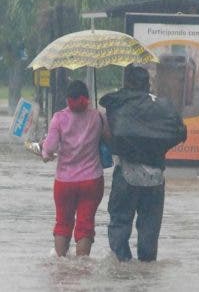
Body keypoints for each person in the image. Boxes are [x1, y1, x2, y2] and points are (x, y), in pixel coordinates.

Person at [99, 65, 186, 262]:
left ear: (126, 84)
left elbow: (112, 133)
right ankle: (146, 273)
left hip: (125, 176)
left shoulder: (117, 104)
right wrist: (157, 148)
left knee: (120, 225)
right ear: (147, 84)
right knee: (150, 230)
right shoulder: (163, 106)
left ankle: (123, 268)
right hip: (155, 177)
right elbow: (180, 132)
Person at [41, 80, 109, 257]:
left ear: (67, 98)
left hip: (64, 182)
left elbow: (48, 150)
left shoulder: (59, 118)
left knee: (63, 223)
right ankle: (81, 267)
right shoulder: (99, 116)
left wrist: (44, 151)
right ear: (87, 97)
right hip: (92, 181)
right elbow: (109, 140)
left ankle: (61, 265)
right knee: (85, 224)